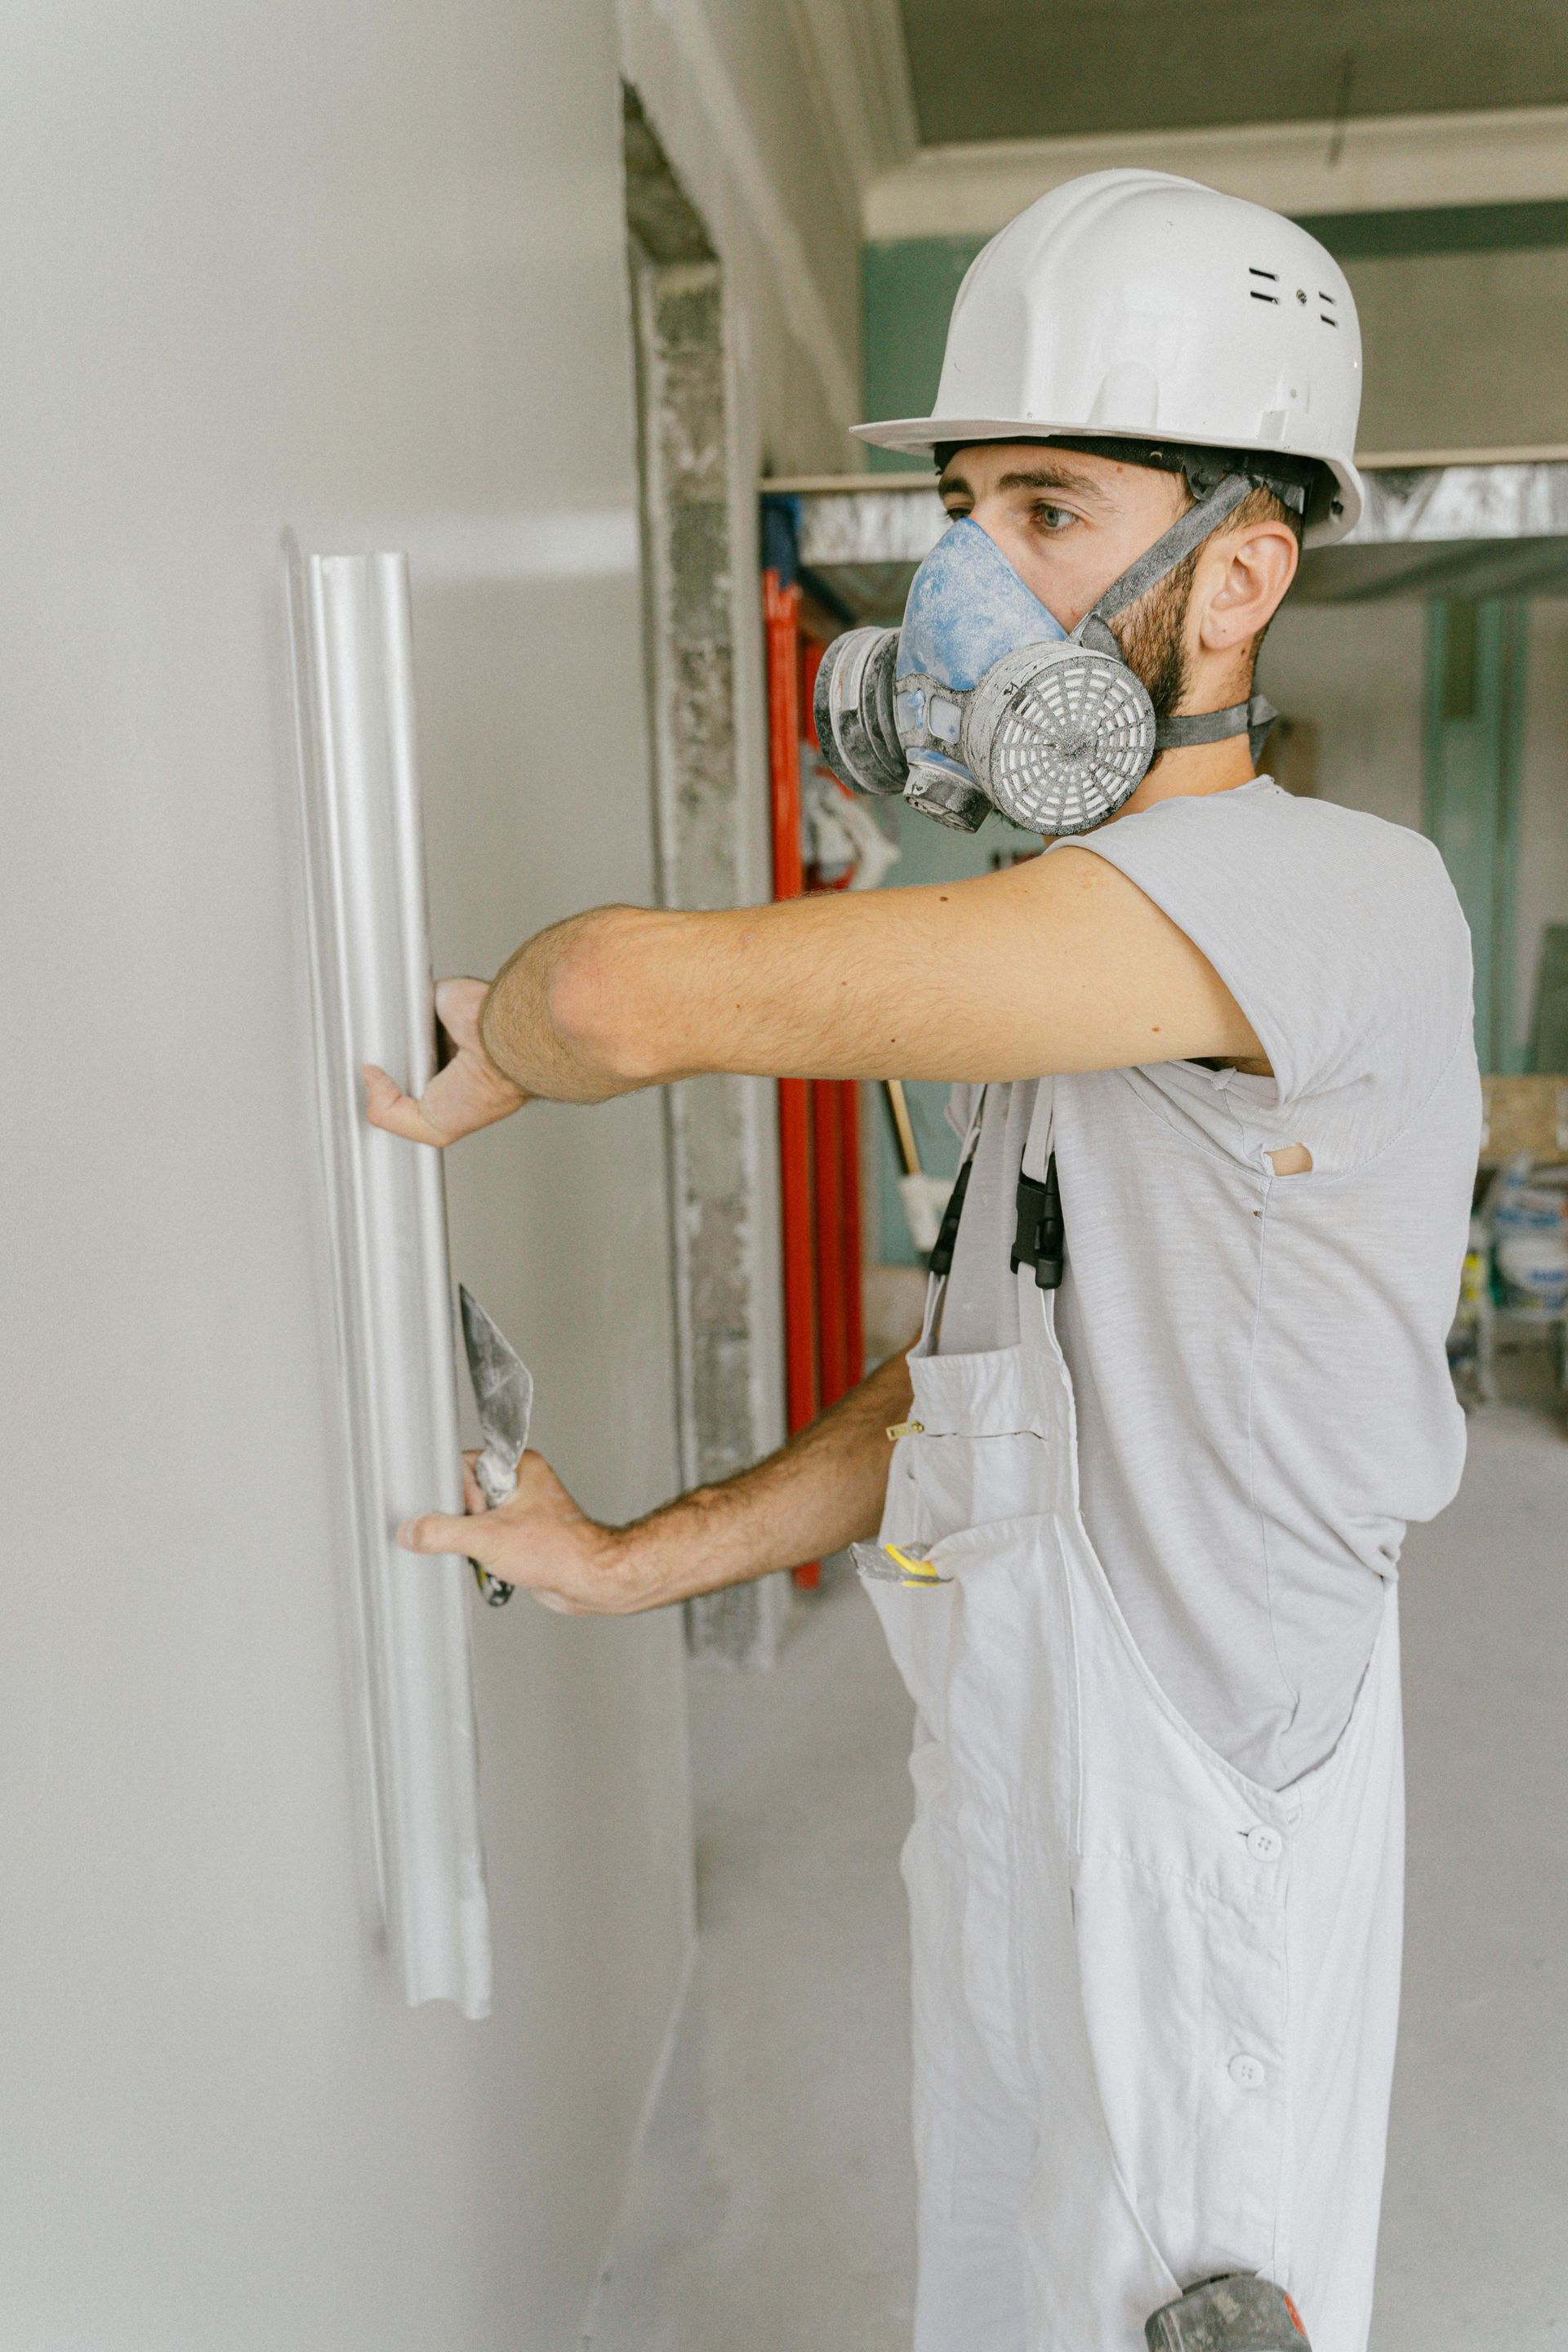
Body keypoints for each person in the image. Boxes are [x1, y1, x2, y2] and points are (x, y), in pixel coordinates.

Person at [368, 171, 1478, 2352]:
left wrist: (494, 1032)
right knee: (995, 2298)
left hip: (1203, 1822)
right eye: (960, 510)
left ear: (1240, 570)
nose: (968, 585)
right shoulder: (1066, 982)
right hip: (1019, 1766)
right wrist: (623, 1559)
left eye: (1048, 512)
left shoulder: (1333, 897)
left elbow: (610, 1006)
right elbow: (962, 1405)